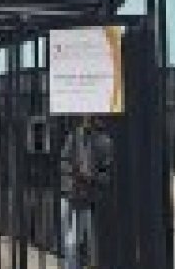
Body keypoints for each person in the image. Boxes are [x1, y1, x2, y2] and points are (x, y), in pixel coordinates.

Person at [59, 115, 113, 269]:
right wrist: (72, 173)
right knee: (68, 240)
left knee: (74, 241)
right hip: (68, 193)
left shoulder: (104, 142)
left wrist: (91, 177)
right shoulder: (74, 137)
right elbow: (64, 161)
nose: (87, 119)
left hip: (84, 198)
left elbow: (107, 174)